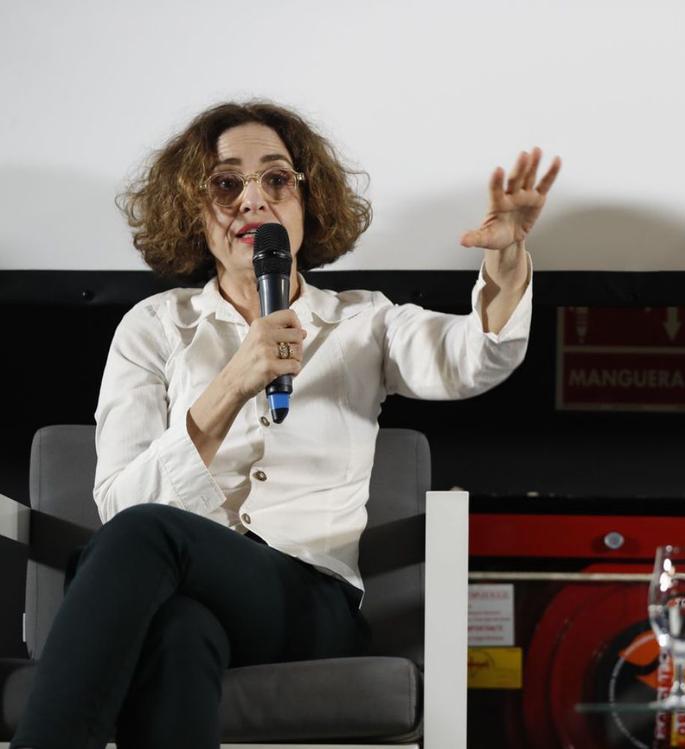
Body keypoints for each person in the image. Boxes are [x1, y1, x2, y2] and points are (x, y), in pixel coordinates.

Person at [12, 100, 560, 748]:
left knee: (142, 544)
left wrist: (503, 268)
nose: (253, 200)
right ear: (194, 210)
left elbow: (472, 357)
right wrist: (232, 383)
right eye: (225, 184)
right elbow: (122, 505)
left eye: (275, 179)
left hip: (310, 603)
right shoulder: (153, 327)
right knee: (179, 634)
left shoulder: (364, 322)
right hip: (178, 590)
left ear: (306, 201)